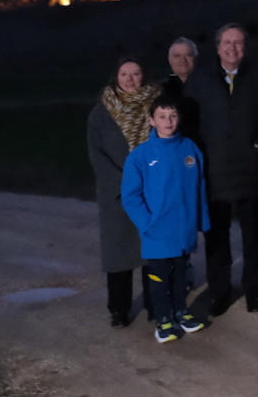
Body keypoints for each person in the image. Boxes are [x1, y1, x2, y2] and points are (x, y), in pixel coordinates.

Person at [185, 23, 258, 317]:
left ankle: (252, 291)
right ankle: (219, 293)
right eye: (227, 43)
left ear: (246, 48)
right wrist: (200, 155)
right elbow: (188, 121)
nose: (232, 48)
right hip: (213, 171)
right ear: (217, 47)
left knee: (253, 236)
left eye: (238, 43)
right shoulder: (200, 80)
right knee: (217, 239)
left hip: (251, 170)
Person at [121, 95, 210, 343]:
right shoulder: (140, 156)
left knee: (181, 273)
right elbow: (130, 196)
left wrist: (202, 221)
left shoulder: (190, 148)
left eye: (172, 116)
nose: (168, 121)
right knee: (160, 277)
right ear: (152, 120)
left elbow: (200, 186)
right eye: (162, 116)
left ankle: (181, 311)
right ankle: (163, 319)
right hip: (157, 230)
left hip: (183, 229)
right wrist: (147, 223)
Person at [87, 58, 161, 327]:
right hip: (116, 192)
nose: (130, 79)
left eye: (136, 73)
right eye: (124, 73)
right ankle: (119, 309)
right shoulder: (101, 113)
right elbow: (97, 154)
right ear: (115, 77)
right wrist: (126, 183)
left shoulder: (157, 106)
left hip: (152, 190)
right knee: (119, 254)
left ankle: (157, 305)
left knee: (153, 253)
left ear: (145, 76)